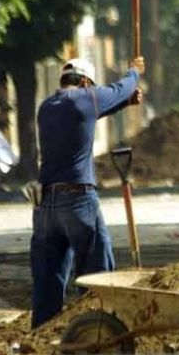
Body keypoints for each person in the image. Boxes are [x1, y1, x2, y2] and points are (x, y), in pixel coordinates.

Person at [31, 56, 144, 328]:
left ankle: (41, 340)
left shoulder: (47, 107)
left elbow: (86, 115)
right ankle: (97, 335)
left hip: (45, 207)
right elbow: (123, 87)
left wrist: (125, 104)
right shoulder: (86, 98)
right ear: (84, 82)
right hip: (78, 201)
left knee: (47, 283)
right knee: (97, 279)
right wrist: (134, 71)